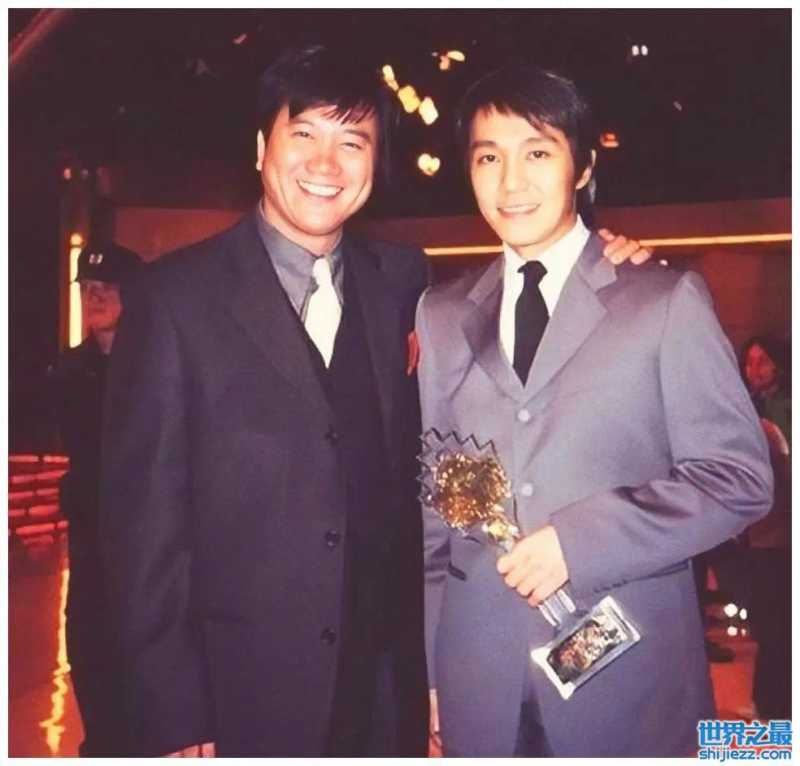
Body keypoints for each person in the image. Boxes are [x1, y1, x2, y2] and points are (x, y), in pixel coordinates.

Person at [99, 46, 651, 758]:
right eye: (305, 134)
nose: (326, 164)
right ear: (262, 148)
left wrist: (604, 259)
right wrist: (174, 711)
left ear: (374, 163)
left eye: (352, 142)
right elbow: (140, 529)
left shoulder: (405, 283)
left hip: (385, 691)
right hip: (241, 692)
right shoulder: (175, 299)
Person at [416, 65, 773, 757]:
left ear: (582, 167)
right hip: (477, 680)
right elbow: (435, 518)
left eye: (537, 152)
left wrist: (581, 542)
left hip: (627, 682)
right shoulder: (441, 313)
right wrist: (432, 670)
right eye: (489, 158)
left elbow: (738, 480)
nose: (511, 182)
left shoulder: (663, 301)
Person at [47, 242, 141, 756]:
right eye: (87, 288)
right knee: (88, 647)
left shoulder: (153, 365)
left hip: (144, 543)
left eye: (106, 288)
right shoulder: (70, 372)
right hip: (90, 544)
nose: (94, 298)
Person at [740, 336, 791, 720]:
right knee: (772, 621)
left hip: (781, 526)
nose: (754, 370)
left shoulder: (785, 407)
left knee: (779, 622)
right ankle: (769, 704)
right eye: (749, 362)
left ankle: (775, 706)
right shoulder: (745, 405)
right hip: (762, 527)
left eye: (763, 361)